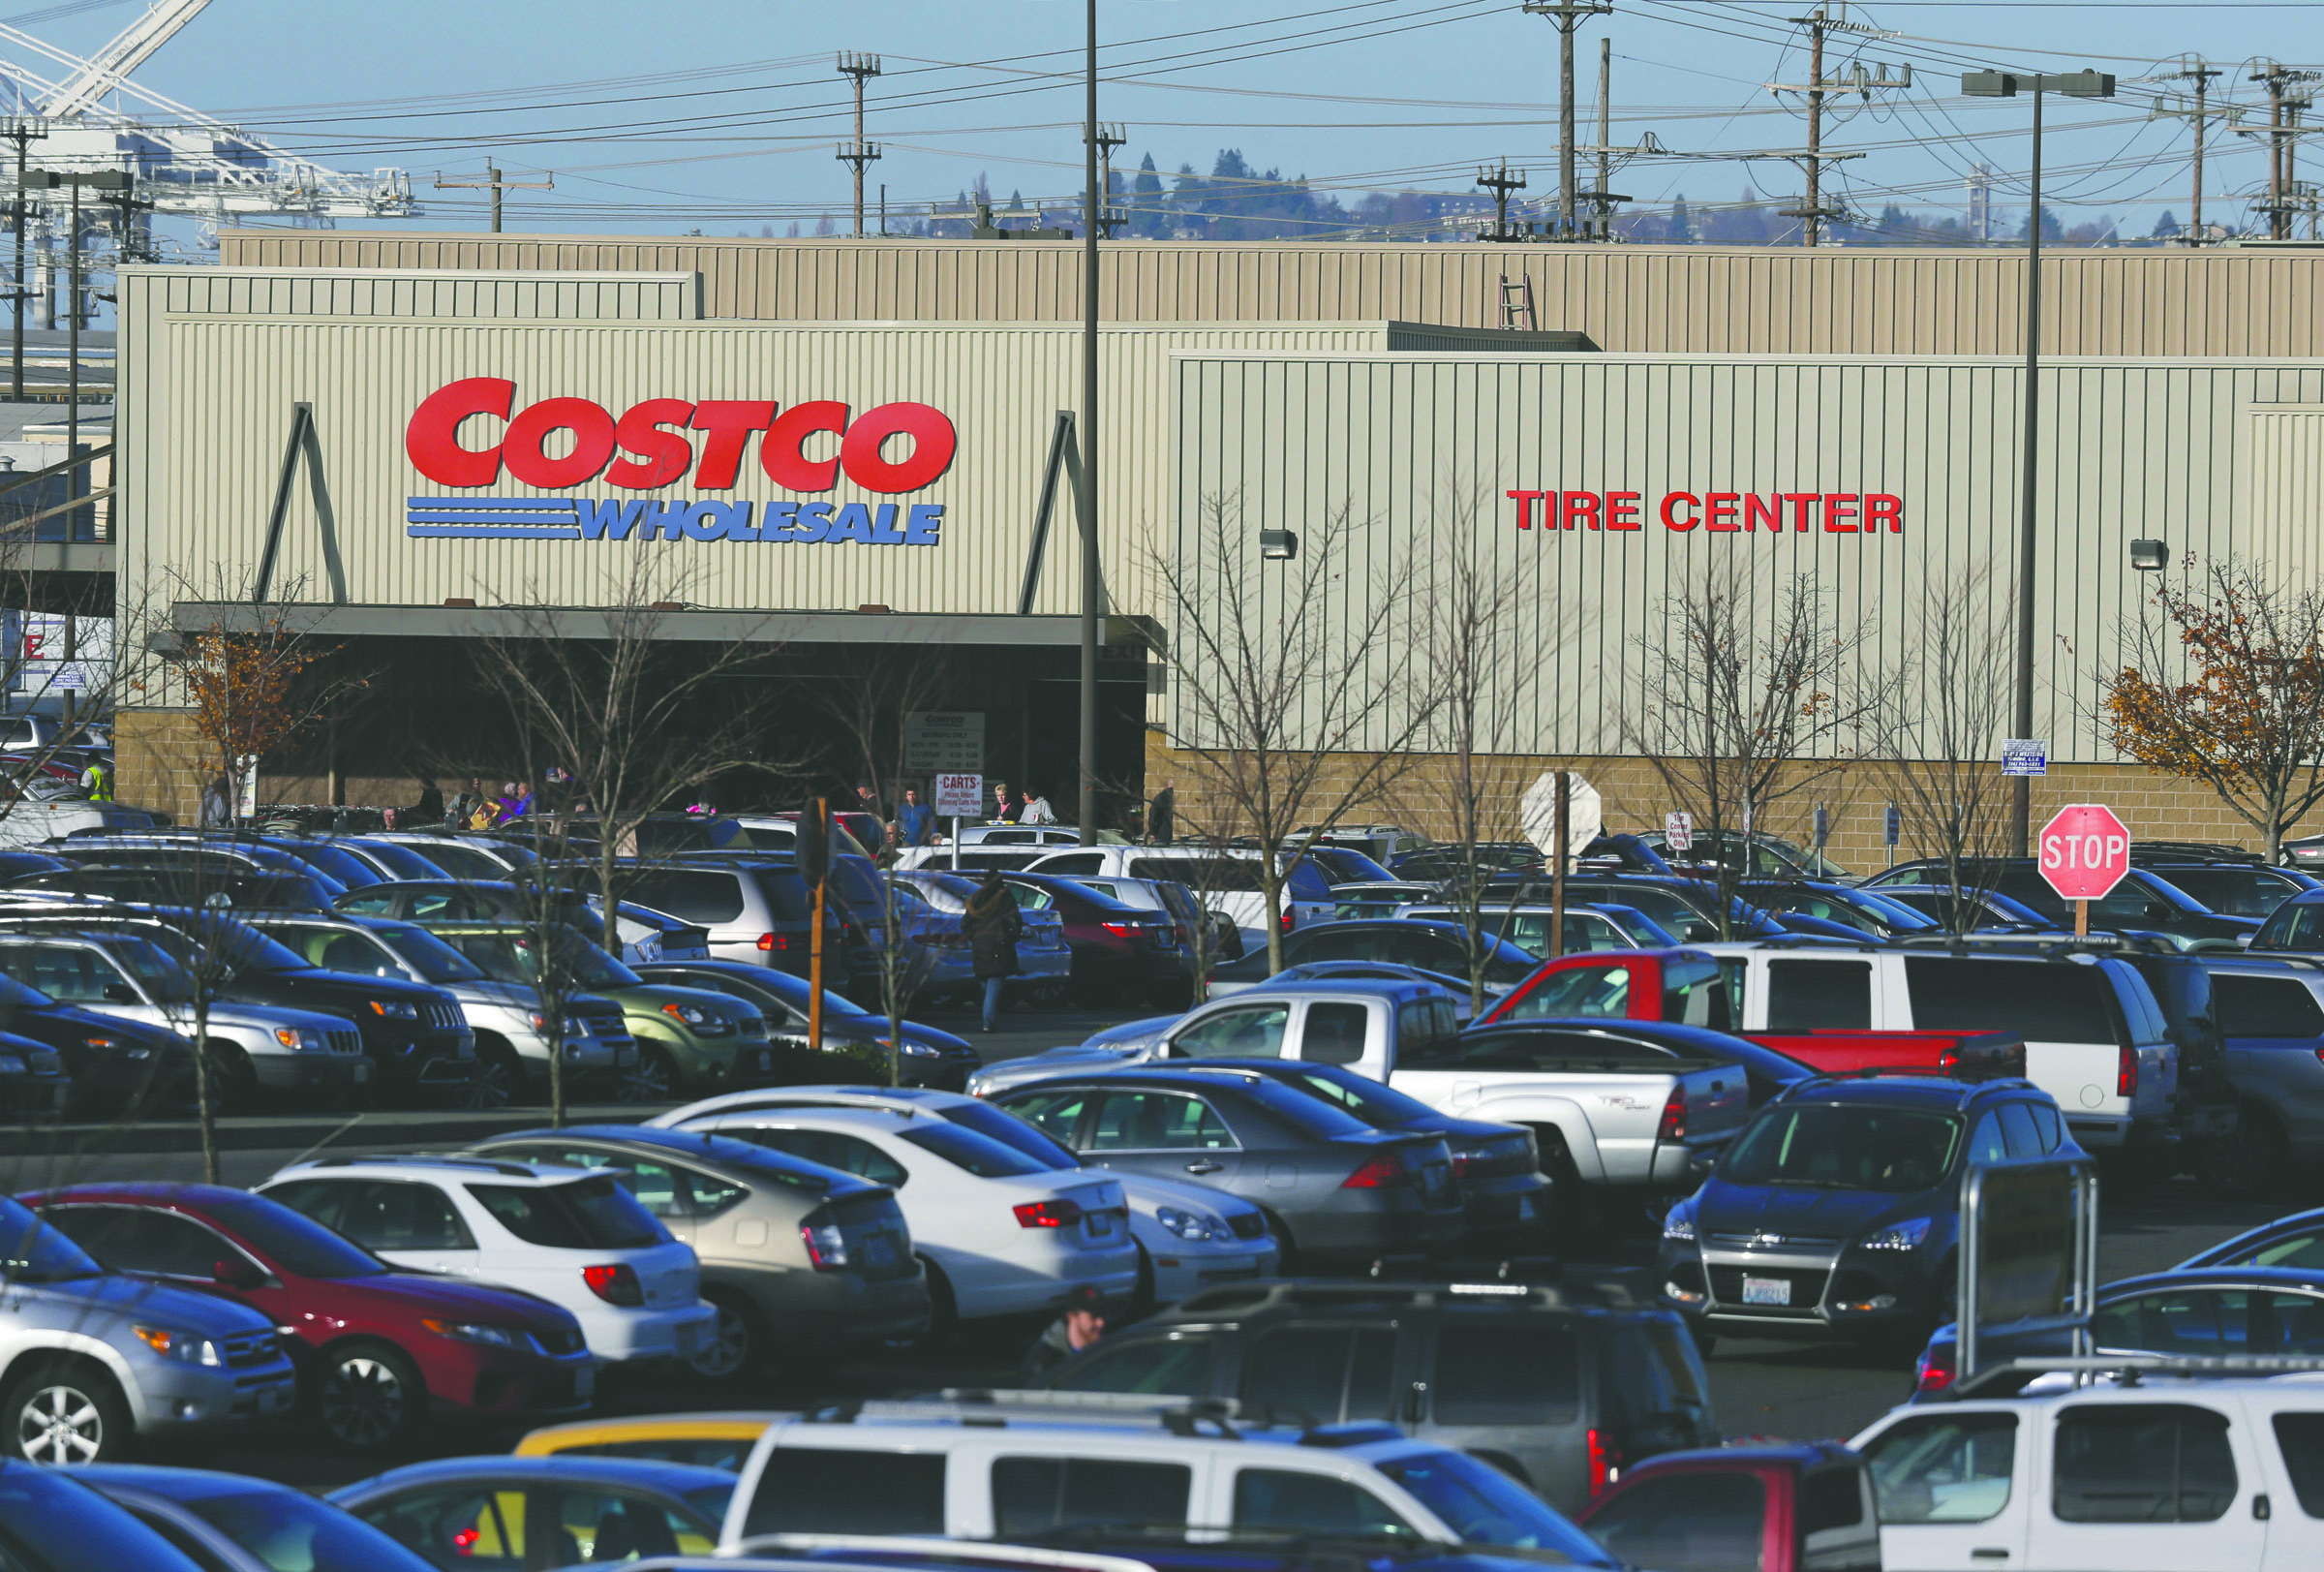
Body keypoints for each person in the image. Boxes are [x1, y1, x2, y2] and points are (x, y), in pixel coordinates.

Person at [962, 872, 1023, 1033]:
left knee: (985, 981)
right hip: (999, 945)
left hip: (980, 945)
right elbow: (1016, 920)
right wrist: (1013, 937)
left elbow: (965, 923)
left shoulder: (975, 899)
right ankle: (988, 1022)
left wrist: (973, 936)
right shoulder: (1005, 898)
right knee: (994, 983)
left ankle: (987, 1018)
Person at [1022, 1283, 1109, 1379]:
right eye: (1094, 1316)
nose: (1101, 1323)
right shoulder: (1043, 1362)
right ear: (1072, 1317)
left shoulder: (1109, 1348)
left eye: (1102, 1314)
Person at [1148, 781, 1176, 845]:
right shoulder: (1182, 797)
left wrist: (1152, 831)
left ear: (1167, 785)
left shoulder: (1160, 797)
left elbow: (1153, 815)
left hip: (1162, 832)